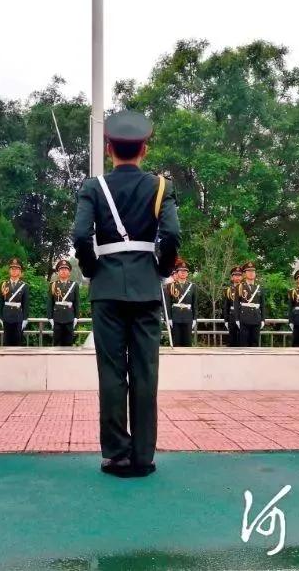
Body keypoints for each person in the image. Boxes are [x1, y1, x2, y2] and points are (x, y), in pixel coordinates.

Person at [72, 109, 180, 478]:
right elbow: (173, 236)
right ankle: (144, 456)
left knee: (112, 372)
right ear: (144, 149)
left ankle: (116, 455)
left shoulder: (93, 188)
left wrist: (92, 270)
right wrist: (161, 271)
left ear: (108, 149)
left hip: (106, 291)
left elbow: (80, 237)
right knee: (146, 372)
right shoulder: (160, 187)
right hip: (146, 288)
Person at [47, 259, 78, 347]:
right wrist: (50, 318)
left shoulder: (74, 285)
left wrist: (76, 317)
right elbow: (50, 303)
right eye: (61, 269)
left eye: (66, 269)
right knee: (57, 343)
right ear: (58, 272)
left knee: (69, 343)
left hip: (69, 318)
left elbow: (76, 302)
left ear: (69, 272)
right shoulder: (53, 285)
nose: (63, 271)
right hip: (57, 318)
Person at [0, 258, 29, 346]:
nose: (14, 271)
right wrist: (0, 317)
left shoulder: (24, 286)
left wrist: (25, 319)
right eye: (12, 269)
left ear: (20, 271)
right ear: (9, 270)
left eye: (17, 269)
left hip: (18, 317)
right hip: (6, 316)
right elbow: (0, 302)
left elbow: (25, 304)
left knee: (18, 342)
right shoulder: (3, 284)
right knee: (7, 342)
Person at [167, 259, 197, 347]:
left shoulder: (192, 286)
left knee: (187, 343)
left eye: (185, 271)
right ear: (177, 272)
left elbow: (195, 304)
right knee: (176, 343)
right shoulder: (170, 286)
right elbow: (168, 303)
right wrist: (168, 318)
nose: (183, 273)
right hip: (175, 317)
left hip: (188, 317)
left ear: (187, 273)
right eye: (181, 271)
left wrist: (195, 318)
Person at [236, 262, 265, 347]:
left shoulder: (259, 288)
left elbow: (262, 305)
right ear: (245, 274)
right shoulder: (240, 287)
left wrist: (263, 319)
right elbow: (236, 304)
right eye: (249, 271)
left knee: (255, 343)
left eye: (253, 271)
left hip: (256, 318)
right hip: (244, 318)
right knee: (243, 344)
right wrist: (237, 319)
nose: (251, 273)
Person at [223, 266, 243, 347]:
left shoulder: (245, 289)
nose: (237, 277)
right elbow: (226, 307)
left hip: (243, 316)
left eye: (239, 275)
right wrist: (226, 320)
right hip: (232, 317)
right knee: (232, 340)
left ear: (242, 277)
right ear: (232, 277)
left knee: (242, 340)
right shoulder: (228, 290)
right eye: (235, 275)